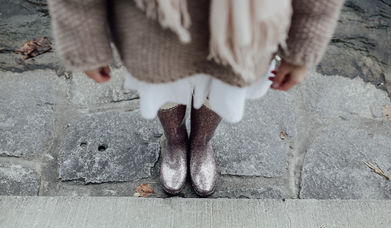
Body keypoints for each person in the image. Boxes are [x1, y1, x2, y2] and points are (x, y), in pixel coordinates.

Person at [48, 0, 344, 197]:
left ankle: (200, 142)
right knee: (163, 82)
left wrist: (306, 39)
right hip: (151, 22)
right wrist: (82, 36)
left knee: (222, 85)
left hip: (243, 25)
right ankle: (176, 143)